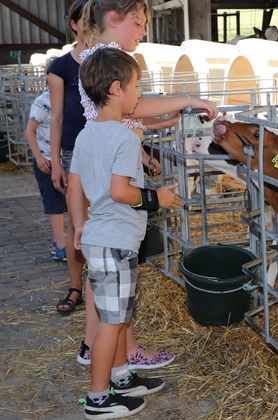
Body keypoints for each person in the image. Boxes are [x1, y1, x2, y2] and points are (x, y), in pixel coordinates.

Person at [76, 0, 219, 370]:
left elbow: (127, 114)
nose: (142, 32)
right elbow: (133, 110)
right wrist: (189, 99)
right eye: (137, 23)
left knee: (105, 284)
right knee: (117, 291)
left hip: (104, 194)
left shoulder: (96, 58)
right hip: (118, 198)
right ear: (113, 19)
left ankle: (97, 350)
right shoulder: (109, 58)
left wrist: (166, 119)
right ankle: (115, 361)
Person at [68, 47, 183, 419]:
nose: (139, 94)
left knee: (113, 317)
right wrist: (158, 197)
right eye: (137, 87)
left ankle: (119, 377)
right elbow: (121, 191)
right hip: (114, 239)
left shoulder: (89, 134)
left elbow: (84, 185)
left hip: (102, 237)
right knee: (112, 322)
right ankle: (98, 399)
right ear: (117, 88)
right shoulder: (122, 138)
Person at [48, 0, 88, 313]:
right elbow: (57, 117)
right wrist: (56, 162)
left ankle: (104, 284)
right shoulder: (60, 67)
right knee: (76, 223)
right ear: (73, 23)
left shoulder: (108, 60)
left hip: (107, 150)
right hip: (75, 151)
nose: (89, 23)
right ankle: (76, 288)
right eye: (83, 18)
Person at [26, 80, 67, 262]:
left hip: (66, 158)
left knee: (74, 201)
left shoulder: (70, 100)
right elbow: (30, 131)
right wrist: (39, 158)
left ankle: (76, 242)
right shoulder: (42, 101)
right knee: (54, 203)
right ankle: (61, 245)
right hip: (47, 161)